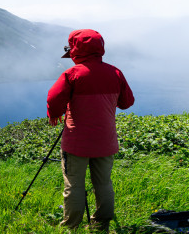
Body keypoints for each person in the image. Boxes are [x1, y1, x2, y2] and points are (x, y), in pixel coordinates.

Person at [47, 29, 134, 232]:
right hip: (106, 141)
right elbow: (127, 102)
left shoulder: (72, 74)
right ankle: (101, 223)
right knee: (103, 183)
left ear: (75, 50)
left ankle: (71, 226)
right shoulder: (115, 72)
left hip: (77, 142)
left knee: (74, 185)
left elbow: (53, 98)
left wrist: (56, 113)